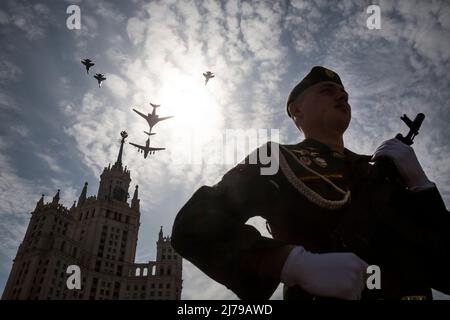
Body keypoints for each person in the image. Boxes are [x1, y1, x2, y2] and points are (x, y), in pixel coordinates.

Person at [171, 66, 450, 300]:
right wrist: (290, 263)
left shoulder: (379, 171)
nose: (342, 95)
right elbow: (192, 225)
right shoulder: (276, 159)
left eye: (344, 93)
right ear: (296, 110)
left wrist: (422, 189)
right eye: (327, 91)